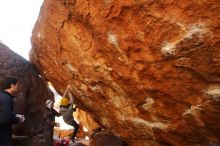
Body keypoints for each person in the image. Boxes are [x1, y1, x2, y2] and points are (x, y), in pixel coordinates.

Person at [0, 76, 25, 146]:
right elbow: (5, 119)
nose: (18, 86)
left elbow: (2, 113)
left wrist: (14, 115)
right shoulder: (6, 98)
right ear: (12, 85)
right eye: (17, 84)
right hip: (3, 137)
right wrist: (18, 119)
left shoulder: (1, 96)